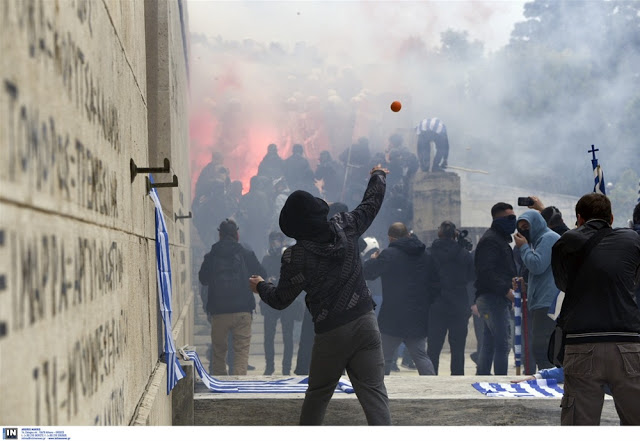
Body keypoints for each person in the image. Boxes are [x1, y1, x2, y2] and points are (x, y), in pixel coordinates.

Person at [250, 165, 391, 426]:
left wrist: (260, 286)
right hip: (365, 321)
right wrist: (378, 175)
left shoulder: (296, 256)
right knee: (374, 394)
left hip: (332, 331)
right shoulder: (346, 226)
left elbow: (281, 300)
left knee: (318, 395)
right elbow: (371, 203)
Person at [551, 193, 640, 425]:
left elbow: (563, 284)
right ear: (611, 217)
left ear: (579, 218)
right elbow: (634, 280)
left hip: (582, 344)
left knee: (581, 426)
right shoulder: (632, 240)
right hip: (627, 344)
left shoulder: (565, 242)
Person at [363, 222, 437, 376]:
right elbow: (435, 284)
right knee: (421, 356)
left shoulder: (389, 255)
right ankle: (433, 390)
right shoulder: (425, 254)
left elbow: (368, 273)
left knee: (384, 357)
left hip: (393, 313)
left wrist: (373, 259)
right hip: (418, 313)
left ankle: (380, 391)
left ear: (391, 238)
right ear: (408, 235)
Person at [199, 219, 267, 375]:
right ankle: (238, 386)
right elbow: (262, 274)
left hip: (218, 311)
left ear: (220, 235)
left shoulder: (211, 255)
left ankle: (219, 387)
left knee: (218, 352)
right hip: (242, 311)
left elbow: (203, 279)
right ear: (237, 234)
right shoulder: (246, 253)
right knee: (241, 351)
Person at [513, 210, 560, 371]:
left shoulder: (548, 238)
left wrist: (523, 248)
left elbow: (537, 265)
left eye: (527, 226)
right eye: (521, 228)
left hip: (548, 301)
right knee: (540, 347)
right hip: (540, 301)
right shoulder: (539, 241)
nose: (524, 230)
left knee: (542, 347)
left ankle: (551, 381)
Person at [474, 202, 517, 375]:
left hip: (495, 298)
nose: (513, 222)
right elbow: (487, 272)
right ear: (498, 219)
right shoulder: (491, 241)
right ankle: (501, 380)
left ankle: (483, 375)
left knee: (490, 342)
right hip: (493, 299)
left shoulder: (498, 240)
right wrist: (507, 291)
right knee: (503, 344)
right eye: (510, 218)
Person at [426, 221, 475, 375]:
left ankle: (430, 380)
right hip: (459, 305)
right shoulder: (464, 253)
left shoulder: (429, 253)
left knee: (433, 348)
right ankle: (457, 379)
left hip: (436, 305)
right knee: (458, 349)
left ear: (439, 233)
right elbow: (472, 277)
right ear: (455, 234)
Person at [260, 231, 303, 375]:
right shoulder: (266, 259)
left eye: (277, 240)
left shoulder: (289, 258)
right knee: (268, 337)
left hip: (286, 301)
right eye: (272, 240)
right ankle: (269, 367)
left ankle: (286, 368)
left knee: (288, 337)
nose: (274, 243)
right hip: (271, 301)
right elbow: (261, 277)